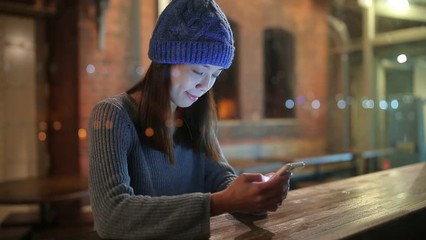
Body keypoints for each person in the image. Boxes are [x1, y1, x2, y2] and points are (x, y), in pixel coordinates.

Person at [88, 0, 291, 239]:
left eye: (215, 75)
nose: (205, 85)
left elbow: (219, 177)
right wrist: (222, 202)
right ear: (165, 61)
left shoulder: (193, 116)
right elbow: (112, 216)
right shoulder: (112, 115)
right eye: (198, 70)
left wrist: (253, 195)